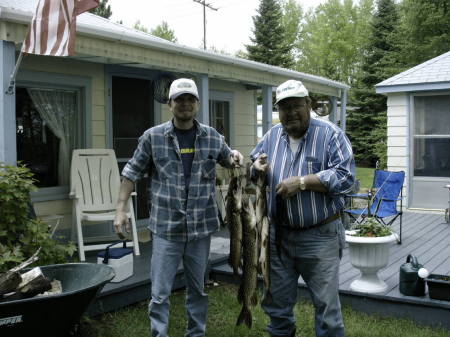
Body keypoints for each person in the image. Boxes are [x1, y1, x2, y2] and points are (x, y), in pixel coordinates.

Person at [114, 78, 243, 337]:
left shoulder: (212, 137)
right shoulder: (152, 138)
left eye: (190, 99)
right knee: (160, 293)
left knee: (198, 290)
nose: (185, 104)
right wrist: (120, 210)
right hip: (166, 229)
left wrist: (235, 156)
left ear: (197, 104)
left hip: (199, 230)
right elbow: (130, 174)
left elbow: (229, 159)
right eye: (179, 100)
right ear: (170, 104)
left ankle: (196, 333)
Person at [251, 80, 355, 337]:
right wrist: (255, 167)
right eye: (284, 107)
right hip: (278, 237)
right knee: (277, 307)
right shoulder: (272, 136)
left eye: (296, 105)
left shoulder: (330, 134)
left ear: (308, 104)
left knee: (327, 310)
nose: (290, 112)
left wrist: (302, 182)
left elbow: (346, 178)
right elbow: (254, 160)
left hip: (320, 236)